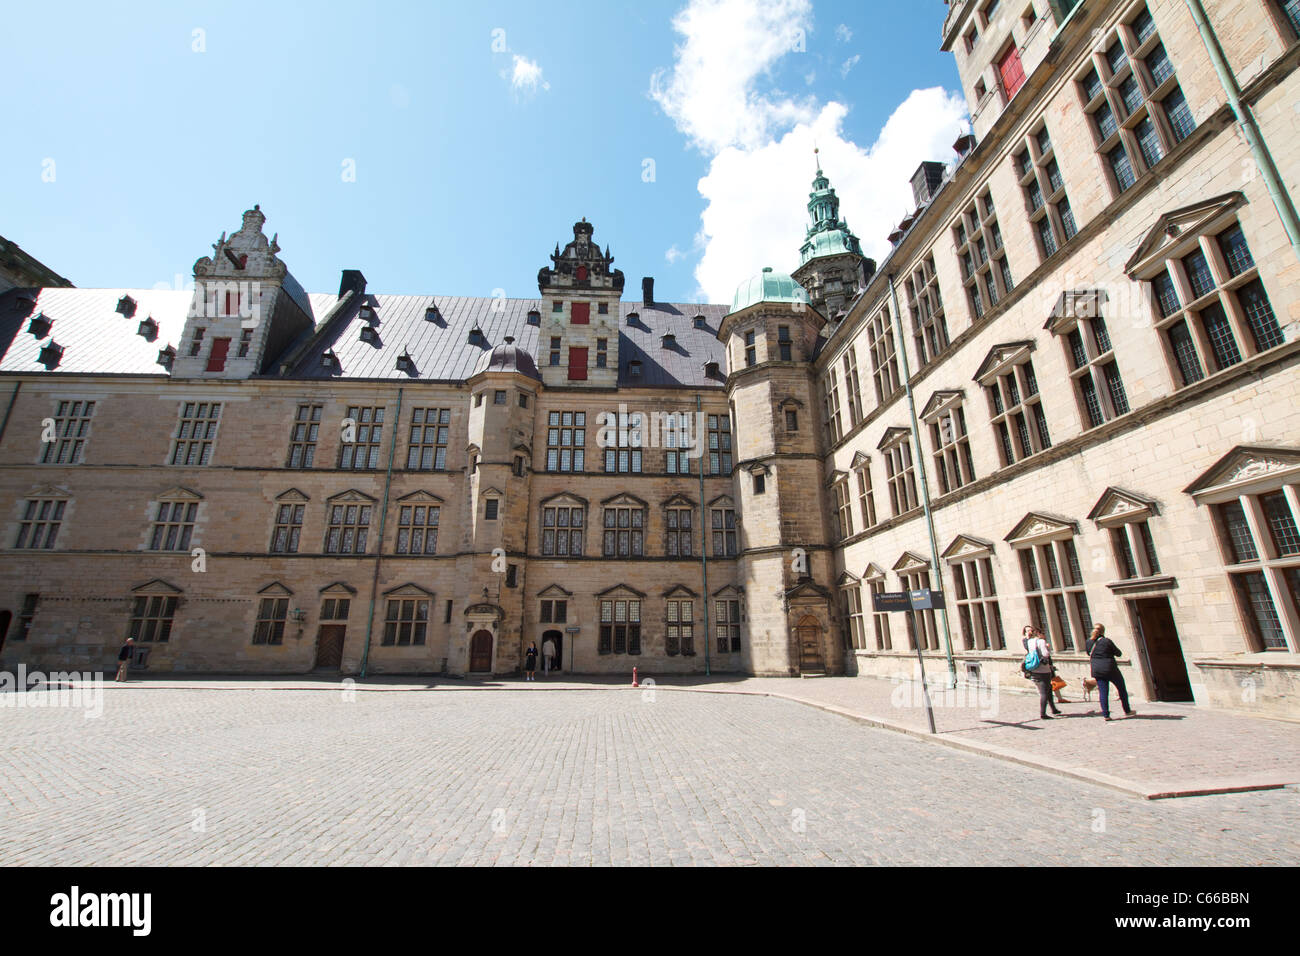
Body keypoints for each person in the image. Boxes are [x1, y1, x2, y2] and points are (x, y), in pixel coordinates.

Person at [1086, 623, 1136, 721]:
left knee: (1103, 692)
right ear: (1103, 631)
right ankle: (1127, 710)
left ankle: (1106, 714)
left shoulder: (1089, 642)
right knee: (1121, 688)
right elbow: (1118, 653)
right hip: (1110, 668)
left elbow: (1088, 653)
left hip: (1097, 669)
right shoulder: (1106, 641)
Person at [1022, 625, 1061, 720]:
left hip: (1034, 668)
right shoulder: (1041, 642)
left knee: (1047, 689)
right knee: (1044, 691)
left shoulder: (1030, 642)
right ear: (1038, 633)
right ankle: (1043, 713)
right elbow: (1045, 654)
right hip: (1043, 669)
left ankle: (1053, 709)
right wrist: (1047, 648)